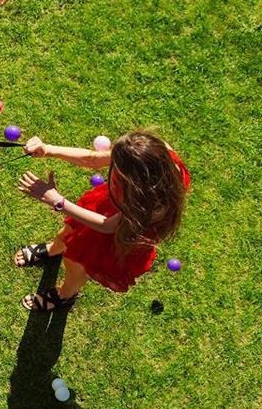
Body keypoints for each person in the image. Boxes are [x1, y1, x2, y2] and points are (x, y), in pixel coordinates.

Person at [13, 132, 190, 310]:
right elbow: (93, 160)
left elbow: (108, 226)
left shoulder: (152, 204)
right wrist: (48, 149)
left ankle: (65, 295)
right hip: (110, 208)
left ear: (134, 183)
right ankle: (53, 249)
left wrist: (58, 202)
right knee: (66, 233)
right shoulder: (153, 152)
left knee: (76, 263)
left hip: (120, 234)